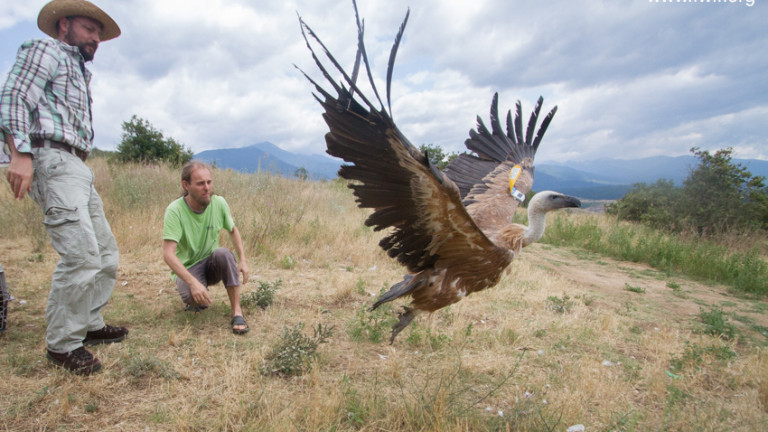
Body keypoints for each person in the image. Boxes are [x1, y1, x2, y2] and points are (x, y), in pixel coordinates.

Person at [0, 0, 128, 375]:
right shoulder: (45, 50)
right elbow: (13, 99)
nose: (96, 39)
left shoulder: (79, 71)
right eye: (90, 29)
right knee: (82, 255)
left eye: (99, 34)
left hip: (75, 166)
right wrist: (19, 153)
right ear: (64, 25)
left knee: (106, 253)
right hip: (50, 160)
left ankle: (88, 323)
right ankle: (62, 344)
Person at [163, 161, 250, 334]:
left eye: (209, 182)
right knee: (192, 297)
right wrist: (193, 283)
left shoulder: (219, 203)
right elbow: (168, 254)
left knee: (224, 254)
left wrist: (243, 260)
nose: (207, 188)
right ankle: (197, 298)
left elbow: (233, 230)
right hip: (189, 268)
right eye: (200, 183)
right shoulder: (175, 210)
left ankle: (237, 312)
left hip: (212, 263)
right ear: (186, 185)